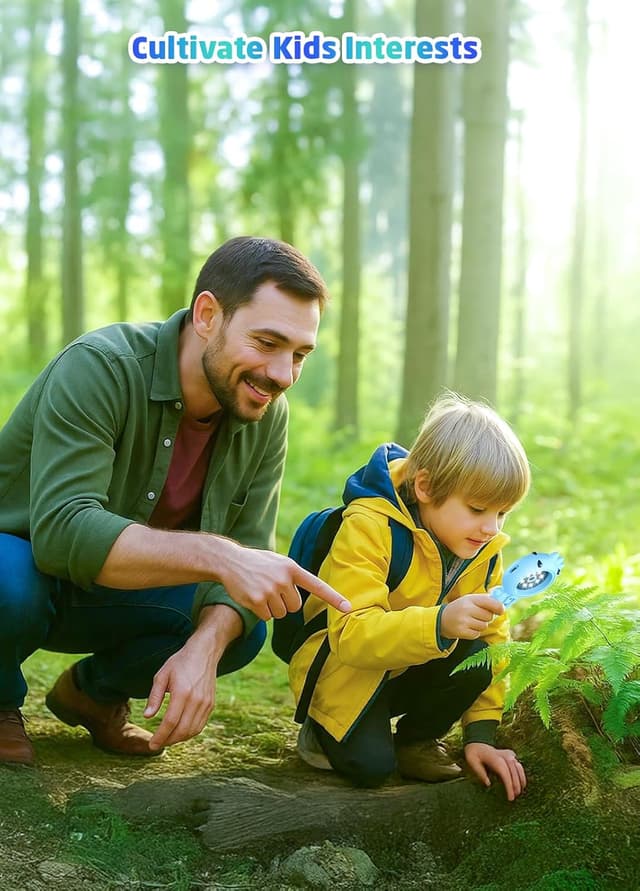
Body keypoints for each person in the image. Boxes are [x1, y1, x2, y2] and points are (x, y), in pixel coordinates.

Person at [0, 236, 350, 767]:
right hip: (26, 569)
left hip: (118, 590)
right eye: (266, 343)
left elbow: (252, 550)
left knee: (243, 622)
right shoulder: (100, 366)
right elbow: (63, 531)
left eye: (299, 355)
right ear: (208, 314)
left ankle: (93, 694)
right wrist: (220, 556)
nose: (282, 375)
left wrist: (205, 648)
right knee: (7, 584)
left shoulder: (265, 412)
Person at [290, 393, 530, 801]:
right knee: (371, 769)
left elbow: (493, 642)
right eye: (477, 509)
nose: (491, 527)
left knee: (475, 656)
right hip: (347, 667)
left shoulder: (482, 547)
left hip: (408, 663)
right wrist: (439, 623)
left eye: (502, 513)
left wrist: (481, 735)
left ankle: (417, 741)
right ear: (425, 486)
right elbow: (350, 634)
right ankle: (323, 726)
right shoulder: (369, 526)